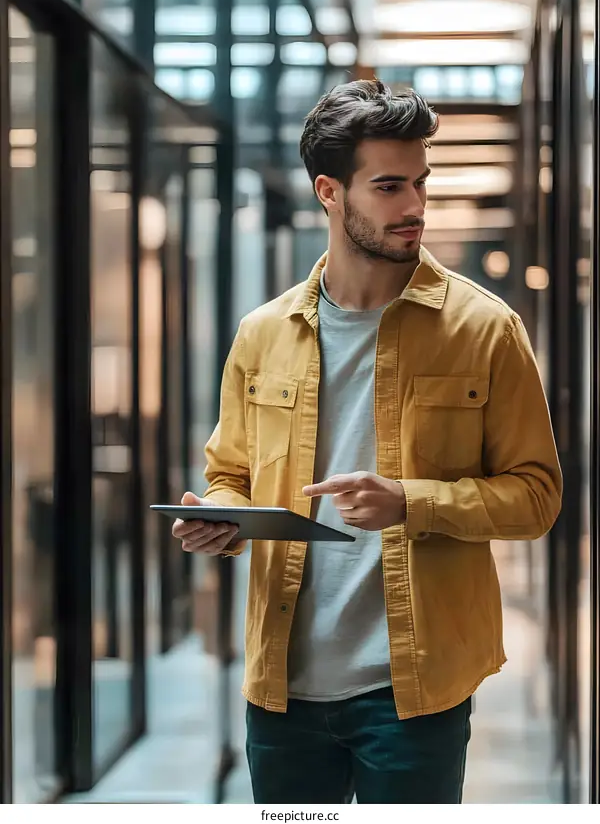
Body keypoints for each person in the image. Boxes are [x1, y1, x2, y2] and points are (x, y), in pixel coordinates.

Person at [173, 80, 562, 804]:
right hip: (282, 691)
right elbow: (229, 473)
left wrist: (410, 502)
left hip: (414, 694)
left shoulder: (486, 329)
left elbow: (536, 497)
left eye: (420, 183)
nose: (414, 206)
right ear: (329, 192)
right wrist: (220, 519)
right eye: (388, 186)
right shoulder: (262, 335)